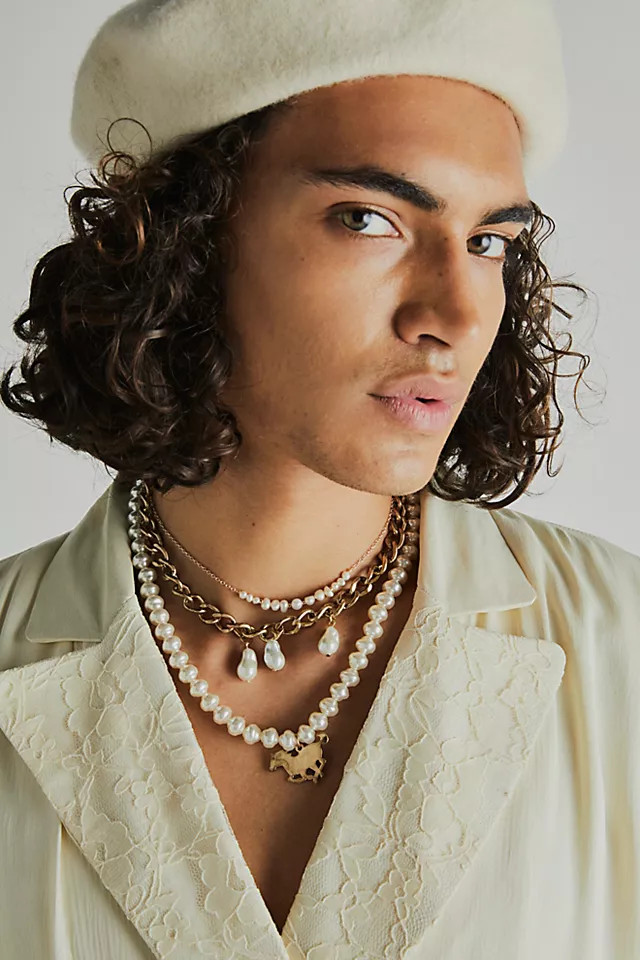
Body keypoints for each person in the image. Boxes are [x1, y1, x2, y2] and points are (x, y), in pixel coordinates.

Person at [1, 0, 639, 957]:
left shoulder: (624, 646)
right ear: (186, 239)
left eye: (489, 241)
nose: (456, 315)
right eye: (369, 219)